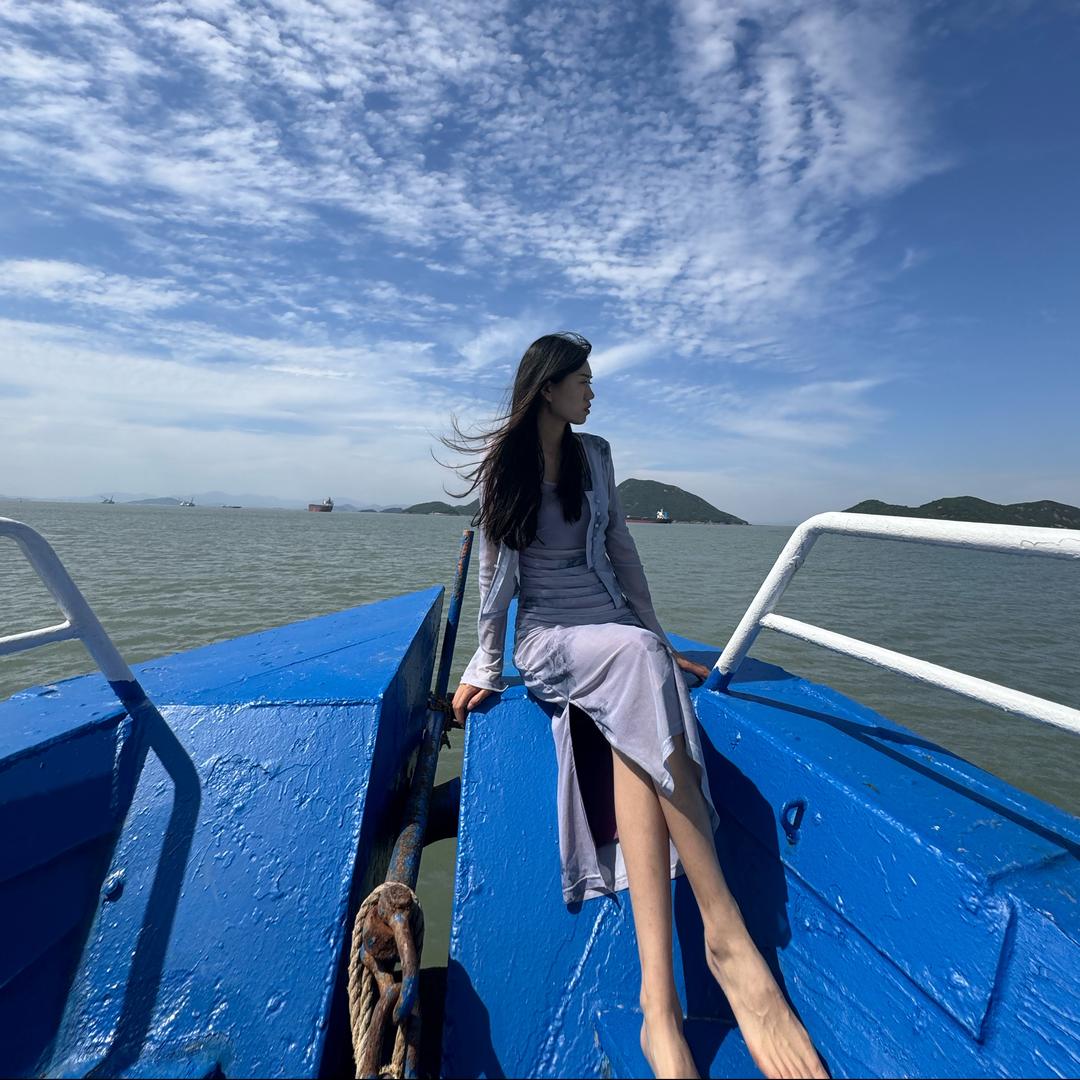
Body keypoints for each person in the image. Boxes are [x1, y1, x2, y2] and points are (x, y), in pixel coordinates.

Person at [445, 332, 826, 1080]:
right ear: (548, 387)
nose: (593, 392)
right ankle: (727, 936)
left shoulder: (596, 456)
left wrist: (655, 636)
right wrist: (487, 664)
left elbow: (622, 548)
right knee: (635, 666)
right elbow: (495, 580)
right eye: (582, 380)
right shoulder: (507, 469)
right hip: (551, 638)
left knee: (636, 699)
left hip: (614, 629)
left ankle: (659, 1010)